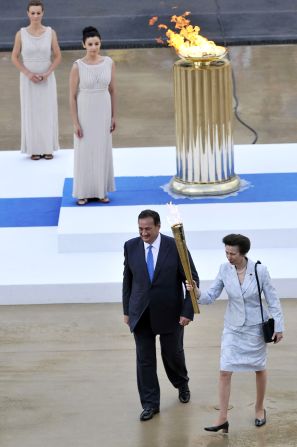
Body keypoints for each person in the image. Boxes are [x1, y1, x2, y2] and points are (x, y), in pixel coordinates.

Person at [186, 233, 284, 433]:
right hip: (232, 327)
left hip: (255, 328)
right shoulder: (224, 269)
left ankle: (259, 409)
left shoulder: (260, 270)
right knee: (224, 371)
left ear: (243, 253)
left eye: (232, 254)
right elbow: (210, 296)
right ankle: (222, 418)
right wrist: (195, 291)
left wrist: (279, 326)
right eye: (226, 252)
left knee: (259, 368)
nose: (228, 257)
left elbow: (273, 300)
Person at [123, 209, 199, 421]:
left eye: (148, 228)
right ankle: (150, 404)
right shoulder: (131, 246)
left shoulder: (176, 246)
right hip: (141, 314)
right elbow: (128, 281)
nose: (144, 233)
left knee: (172, 355)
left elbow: (192, 280)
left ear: (158, 227)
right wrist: (127, 310)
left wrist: (187, 311)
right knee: (144, 361)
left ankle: (182, 384)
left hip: (171, 314)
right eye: (140, 229)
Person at [69, 26, 116, 206]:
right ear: (84, 45)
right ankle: (83, 192)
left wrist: (113, 116)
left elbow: (113, 91)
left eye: (96, 43)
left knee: (102, 149)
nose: (94, 47)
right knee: (85, 150)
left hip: (103, 109)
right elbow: (72, 97)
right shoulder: (77, 66)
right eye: (90, 44)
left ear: (100, 43)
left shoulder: (109, 62)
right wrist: (75, 122)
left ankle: (100, 190)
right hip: (85, 111)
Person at [11, 0, 61, 160]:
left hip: (47, 78)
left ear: (43, 13)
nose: (35, 16)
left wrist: (47, 73)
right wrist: (27, 73)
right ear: (28, 14)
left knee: (47, 111)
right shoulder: (21, 34)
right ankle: (34, 148)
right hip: (28, 79)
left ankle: (47, 148)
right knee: (31, 112)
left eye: (38, 13)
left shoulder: (50, 32)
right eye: (32, 13)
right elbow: (14, 57)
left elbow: (58, 55)